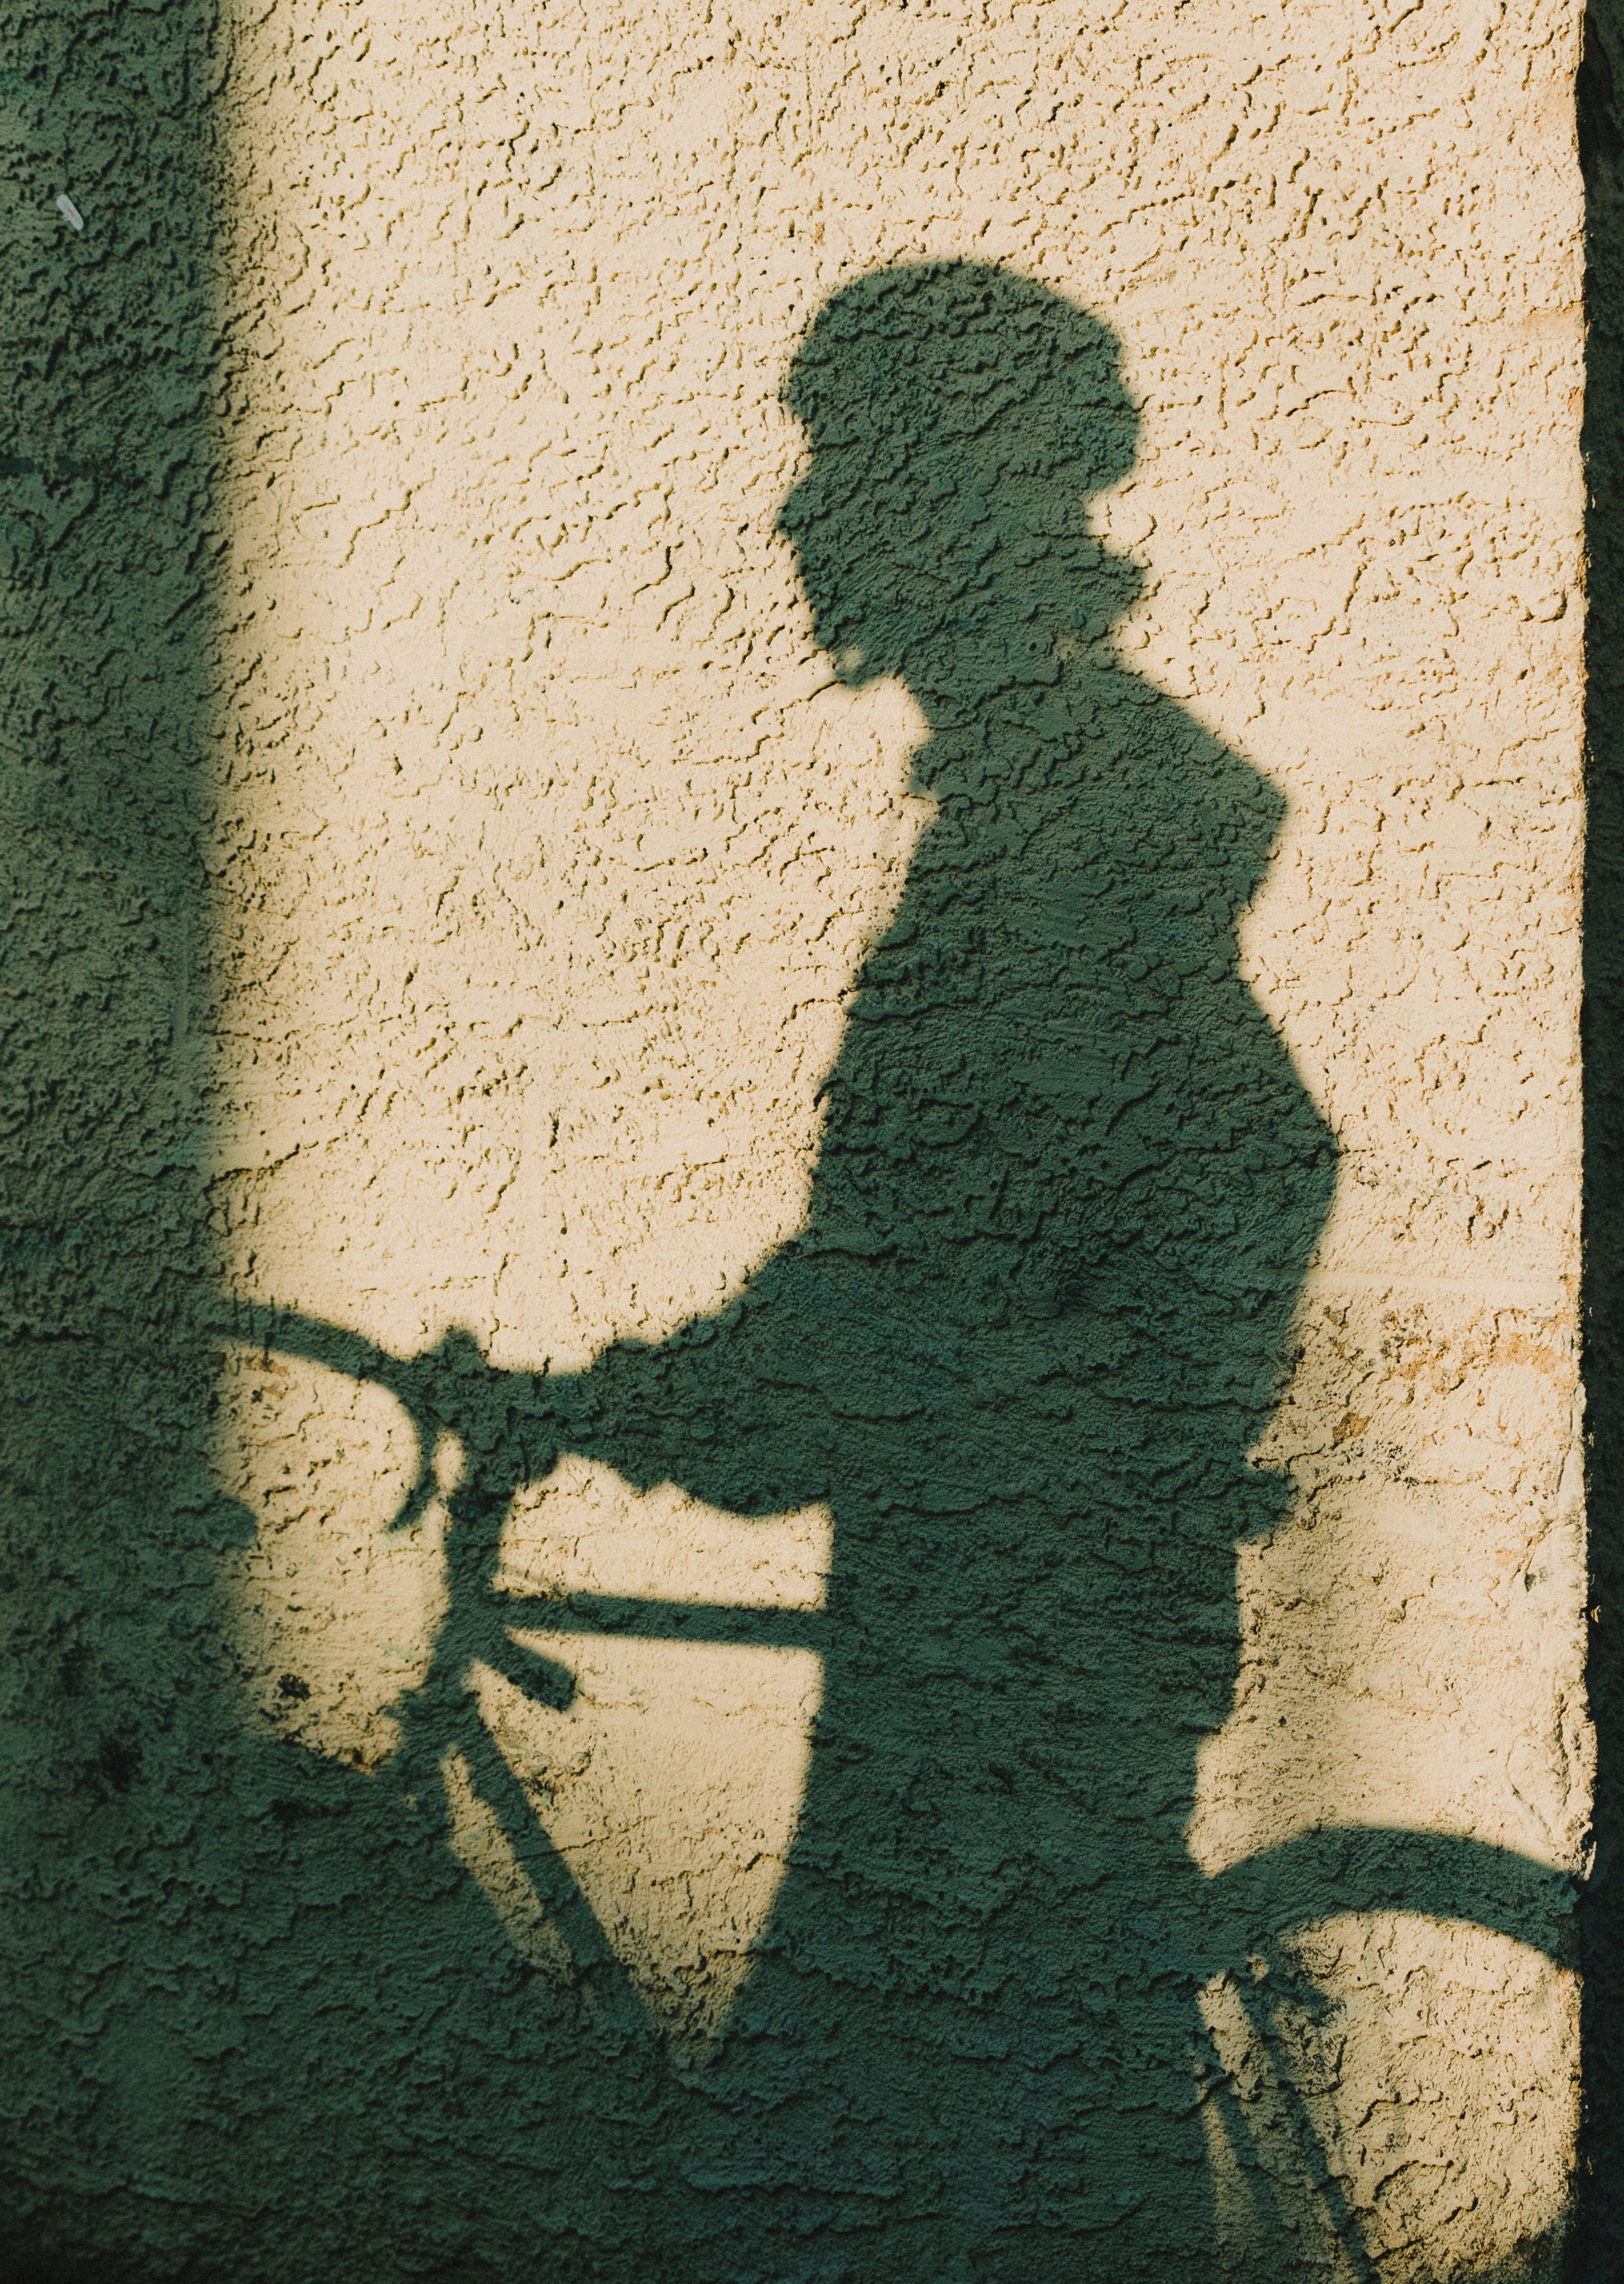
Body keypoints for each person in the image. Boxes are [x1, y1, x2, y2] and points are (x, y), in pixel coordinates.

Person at [528, 261, 1337, 2279]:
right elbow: (945, 1258)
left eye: (838, 471)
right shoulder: (1038, 811)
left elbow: (948, 1274)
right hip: (1005, 1624)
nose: (798, 521)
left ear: (955, 502)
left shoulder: (1058, 840)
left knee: (861, 2192)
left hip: (1009, 1654)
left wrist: (666, 1408)